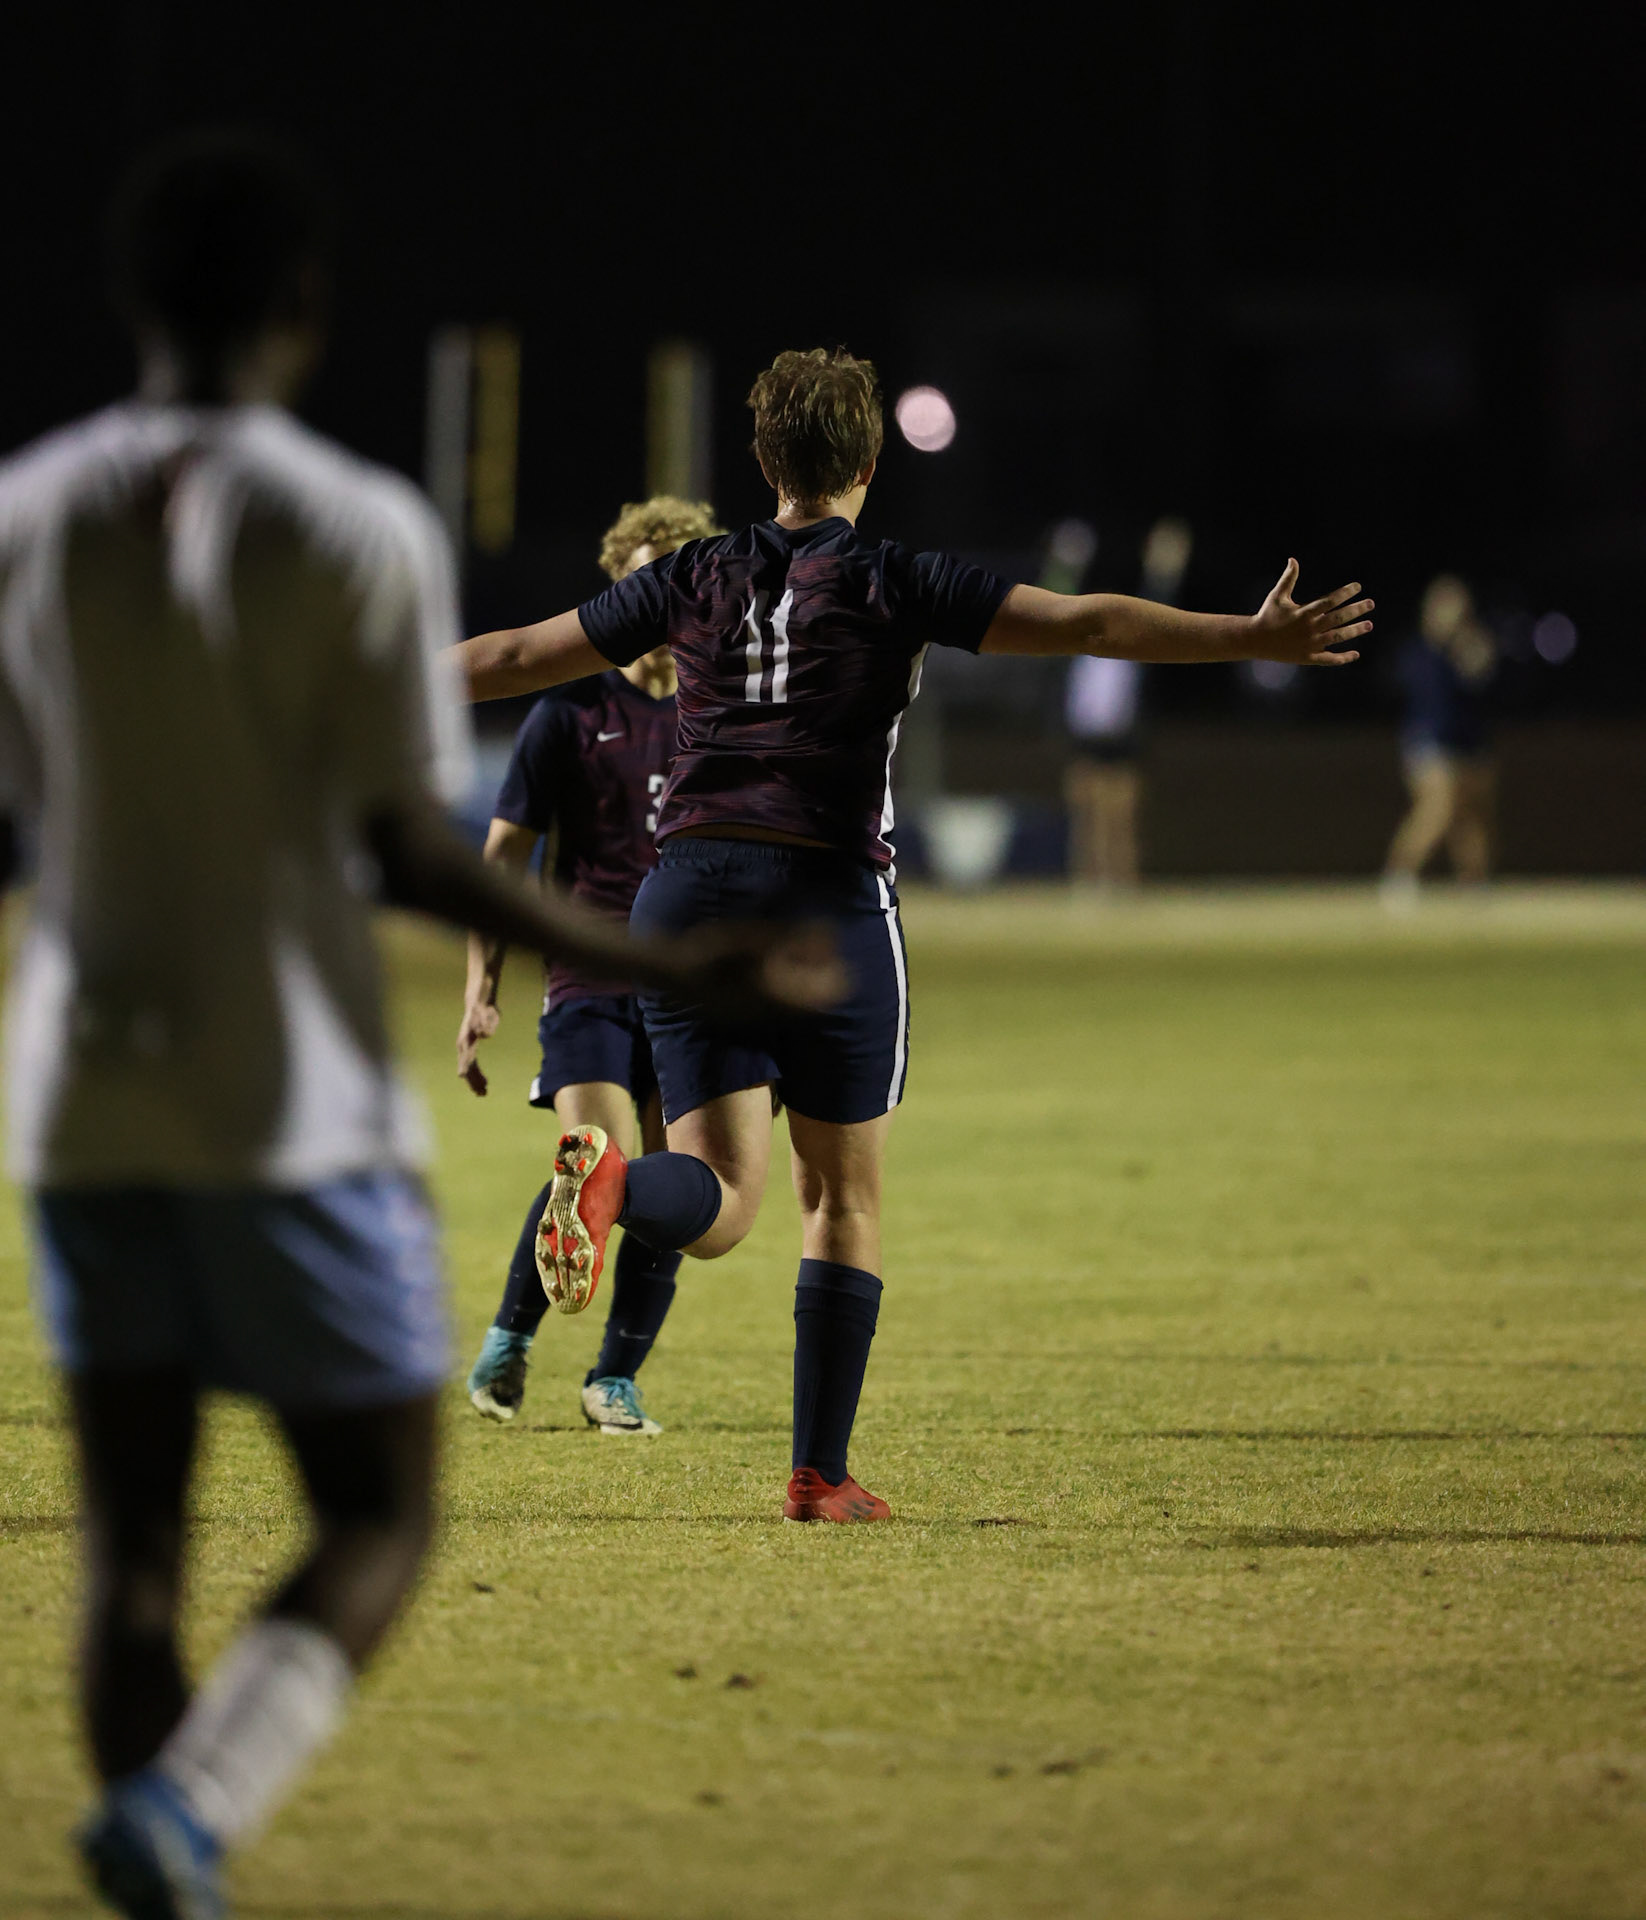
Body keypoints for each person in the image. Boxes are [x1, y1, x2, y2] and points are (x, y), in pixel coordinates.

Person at [0, 135, 831, 1920]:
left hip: (77, 1113)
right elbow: (418, 852)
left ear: (129, 298)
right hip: (294, 1109)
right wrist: (679, 973)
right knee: (380, 1510)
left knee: (135, 1550)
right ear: (305, 312)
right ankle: (194, 1812)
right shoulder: (355, 530)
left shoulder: (2, 519)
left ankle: (164, 1833)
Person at [451, 346, 1374, 1525]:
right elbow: (1088, 620)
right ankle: (818, 1474)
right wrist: (1250, 638)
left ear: (760, 459)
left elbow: (513, 656)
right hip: (825, 900)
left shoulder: (691, 575)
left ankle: (617, 1176)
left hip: (683, 893)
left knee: (723, 1199)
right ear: (872, 464)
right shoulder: (897, 578)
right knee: (837, 1198)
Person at [460, 495, 716, 1437]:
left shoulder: (720, 708)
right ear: (616, 587)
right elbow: (499, 862)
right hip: (589, 979)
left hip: (691, 989)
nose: (650, 595)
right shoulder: (568, 712)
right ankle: (511, 1338)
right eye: (635, 578)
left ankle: (614, 1377)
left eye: (668, 576)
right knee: (594, 1162)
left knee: (672, 1180)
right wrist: (479, 993)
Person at [1061, 517, 1193, 891]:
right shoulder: (1073, 649)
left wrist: (1164, 572)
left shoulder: (1131, 649)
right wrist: (1067, 564)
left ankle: (1124, 881)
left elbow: (1160, 615)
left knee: (1122, 816)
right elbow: (1047, 605)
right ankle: (1087, 882)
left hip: (1122, 738)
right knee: (1085, 816)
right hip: (1085, 738)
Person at [1382, 573, 1496, 905]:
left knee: (1471, 816)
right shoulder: (1418, 652)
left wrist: (1473, 655)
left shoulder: (1472, 646)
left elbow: (1486, 685)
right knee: (1438, 807)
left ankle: (1474, 885)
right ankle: (1399, 877)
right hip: (1429, 742)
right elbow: (1417, 691)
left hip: (1470, 742)